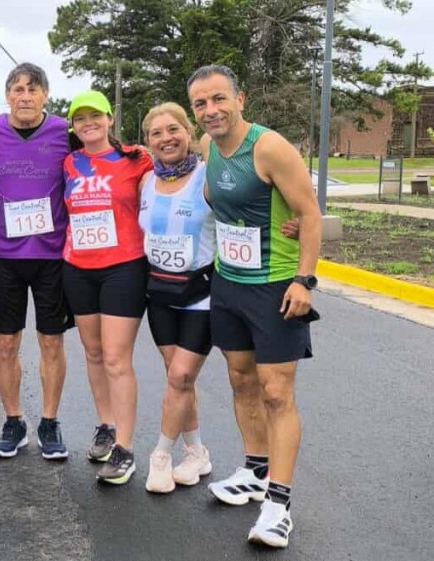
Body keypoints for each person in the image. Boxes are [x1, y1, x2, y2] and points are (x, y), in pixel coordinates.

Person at [189, 64, 322, 548]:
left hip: (275, 285)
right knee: (241, 379)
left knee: (276, 392)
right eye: (201, 103)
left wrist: (304, 280)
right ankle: (255, 471)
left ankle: (278, 505)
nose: (211, 110)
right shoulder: (207, 147)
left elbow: (310, 214)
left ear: (240, 99)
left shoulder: (268, 147)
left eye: (219, 99)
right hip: (228, 281)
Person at [0, 63, 76, 460]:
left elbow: (103, 157)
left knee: (51, 341)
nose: (25, 97)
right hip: (3, 256)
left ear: (45, 95)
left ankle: (49, 422)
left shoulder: (65, 132)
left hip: (52, 255)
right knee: (5, 343)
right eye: (18, 89)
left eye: (33, 89)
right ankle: (13, 421)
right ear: (7, 96)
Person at [60, 90, 153, 484]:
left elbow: (177, 182)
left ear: (109, 118)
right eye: (80, 118)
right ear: (73, 126)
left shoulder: (137, 159)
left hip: (124, 266)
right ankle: (106, 426)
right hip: (79, 267)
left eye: (95, 116)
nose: (88, 124)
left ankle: (125, 448)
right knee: (94, 352)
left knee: (116, 358)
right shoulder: (69, 162)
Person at [137, 102, 216, 493]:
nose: (166, 138)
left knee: (181, 375)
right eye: (156, 133)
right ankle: (197, 452)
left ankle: (161, 455)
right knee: (177, 377)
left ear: (188, 132)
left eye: (174, 130)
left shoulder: (207, 175)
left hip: (202, 292)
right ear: (147, 141)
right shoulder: (145, 181)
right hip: (160, 292)